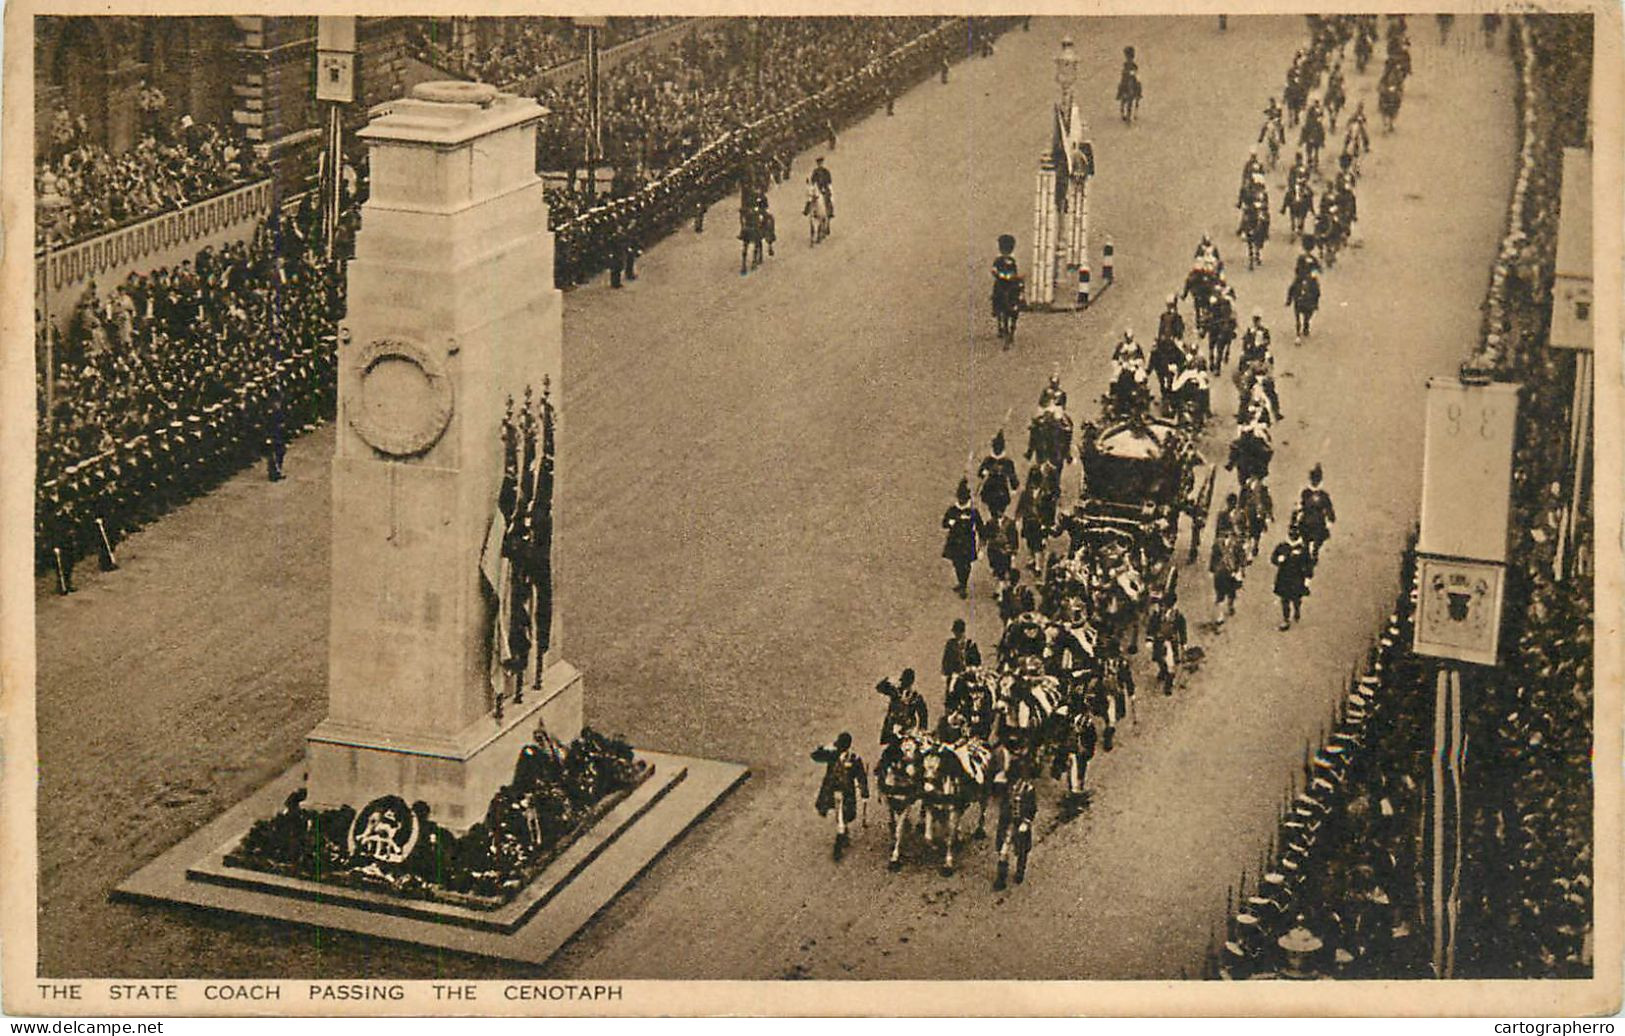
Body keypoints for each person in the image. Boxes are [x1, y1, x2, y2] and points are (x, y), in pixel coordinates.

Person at [812, 732, 869, 860]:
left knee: (844, 815)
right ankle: (841, 836)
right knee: (840, 816)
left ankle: (841, 836)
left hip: (847, 792)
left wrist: (865, 793)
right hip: (832, 790)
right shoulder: (832, 755)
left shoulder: (854, 759)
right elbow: (815, 756)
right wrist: (823, 748)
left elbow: (861, 777)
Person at [993, 757, 1037, 890]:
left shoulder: (1028, 789)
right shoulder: (1007, 787)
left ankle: (1020, 871)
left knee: (1022, 850)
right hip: (1007, 823)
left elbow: (1032, 809)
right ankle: (1001, 879)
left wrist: (1026, 822)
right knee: (1003, 850)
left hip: (1020, 824)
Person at [941, 478, 985, 598]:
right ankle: (961, 582)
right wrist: (951, 522)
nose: (961, 501)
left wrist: (981, 546)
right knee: (956, 563)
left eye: (963, 499)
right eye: (960, 499)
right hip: (954, 541)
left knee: (965, 565)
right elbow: (944, 524)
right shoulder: (953, 510)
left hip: (967, 541)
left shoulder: (972, 511)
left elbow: (980, 527)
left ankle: (963, 585)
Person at [1270, 523, 1314, 630]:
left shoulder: (1303, 549)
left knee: (1296, 598)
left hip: (1297, 578)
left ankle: (1297, 609)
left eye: (1295, 534)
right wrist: (1278, 560)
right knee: (1284, 599)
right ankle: (1286, 619)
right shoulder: (1282, 546)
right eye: (1291, 534)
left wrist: (1308, 578)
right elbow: (1273, 558)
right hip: (1284, 577)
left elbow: (1309, 564)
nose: (1292, 536)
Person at [1210, 506, 1246, 626]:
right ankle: (1220, 615)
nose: (1226, 536)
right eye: (1224, 534)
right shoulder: (1217, 545)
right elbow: (1214, 557)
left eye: (1228, 534)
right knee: (1219, 595)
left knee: (1231, 592)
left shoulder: (1236, 545)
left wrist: (1241, 569)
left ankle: (1230, 604)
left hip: (1232, 572)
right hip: (1220, 572)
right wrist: (1212, 569)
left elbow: (1241, 557)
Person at [1297, 463, 1337, 562]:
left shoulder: (1308, 493)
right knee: (1314, 535)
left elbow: (1328, 508)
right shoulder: (1310, 493)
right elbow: (1328, 508)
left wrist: (1330, 518)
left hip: (1313, 520)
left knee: (1315, 535)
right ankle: (1310, 550)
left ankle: (1312, 549)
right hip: (1314, 520)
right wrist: (1330, 518)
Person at [877, 669, 928, 745]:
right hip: (893, 725)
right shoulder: (896, 691)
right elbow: (880, 687)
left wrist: (921, 731)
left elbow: (923, 715)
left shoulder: (915, 697)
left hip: (906, 728)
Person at [977, 431, 1020, 518]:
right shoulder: (988, 460)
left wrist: (1014, 486)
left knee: (1000, 506)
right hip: (991, 487)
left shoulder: (1007, 462)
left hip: (1001, 488)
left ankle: (997, 519)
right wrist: (984, 471)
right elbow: (980, 474)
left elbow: (1012, 476)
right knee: (991, 505)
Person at [940, 619, 983, 692]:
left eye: (958, 632)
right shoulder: (951, 645)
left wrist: (971, 669)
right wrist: (951, 673)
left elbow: (978, 662)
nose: (956, 634)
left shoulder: (971, 645)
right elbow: (946, 662)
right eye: (955, 632)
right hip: (956, 676)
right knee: (951, 690)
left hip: (970, 676)